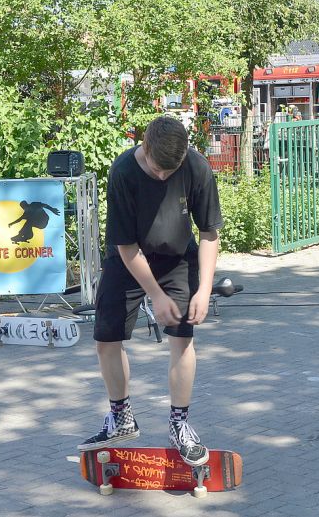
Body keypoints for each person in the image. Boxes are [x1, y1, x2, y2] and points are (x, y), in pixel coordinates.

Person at [78, 116, 224, 469]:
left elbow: (209, 233)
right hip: (128, 258)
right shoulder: (124, 172)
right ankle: (121, 418)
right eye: (159, 170)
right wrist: (155, 295)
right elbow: (127, 248)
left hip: (176, 256)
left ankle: (179, 425)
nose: (163, 177)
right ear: (144, 147)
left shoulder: (196, 166)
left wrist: (204, 289)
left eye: (170, 172)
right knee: (106, 338)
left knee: (182, 338)